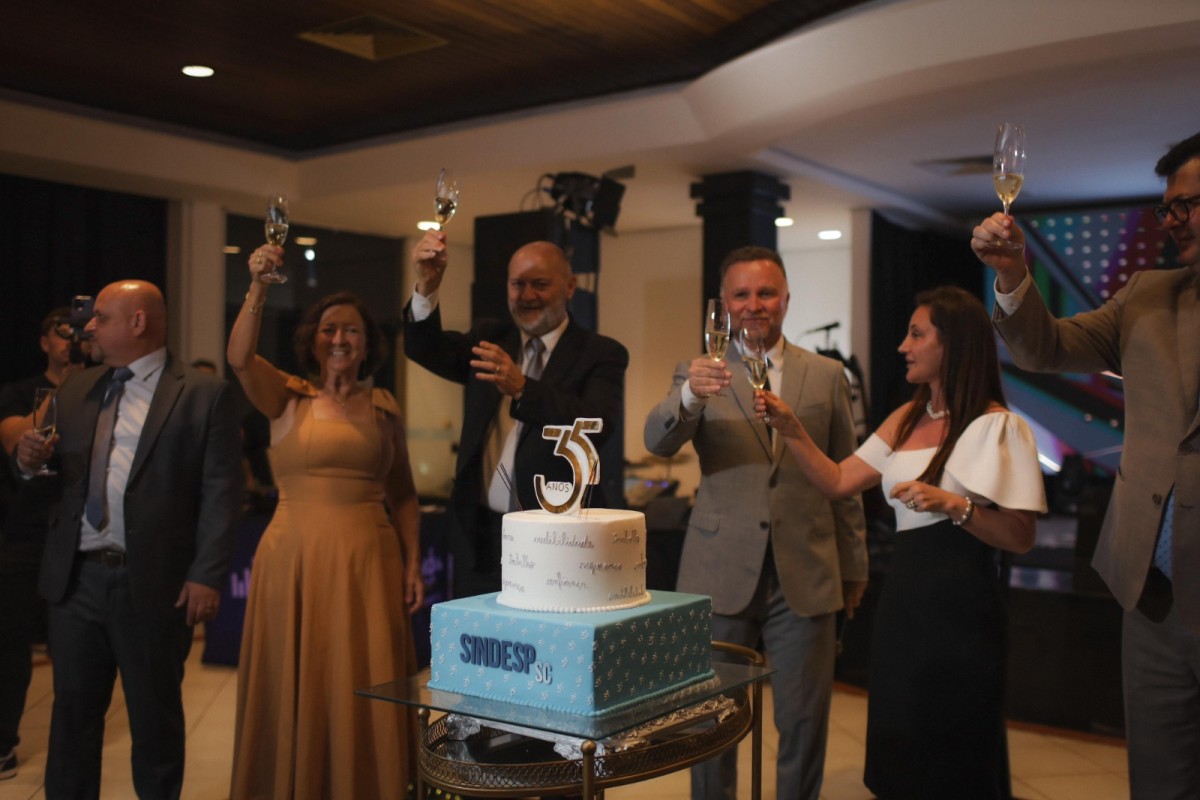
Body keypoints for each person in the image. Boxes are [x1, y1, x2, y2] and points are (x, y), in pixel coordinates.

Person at [972, 129, 1200, 797]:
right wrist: (1011, 275)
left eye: (1187, 204)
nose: (1172, 220)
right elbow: (1044, 348)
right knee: (1159, 778)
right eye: (1167, 208)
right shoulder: (1148, 295)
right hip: (1151, 594)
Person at [756, 285, 1046, 798]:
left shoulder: (999, 427)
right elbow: (837, 480)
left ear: (952, 344)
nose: (902, 346)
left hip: (963, 610)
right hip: (903, 606)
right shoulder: (907, 417)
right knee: (900, 744)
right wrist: (793, 429)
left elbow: (1020, 536)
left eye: (916, 335)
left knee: (954, 750)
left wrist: (955, 506)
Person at [643, 245, 869, 800]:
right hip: (719, 573)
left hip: (807, 574)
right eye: (740, 295)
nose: (754, 304)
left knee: (804, 722)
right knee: (709, 721)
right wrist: (689, 395)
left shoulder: (828, 375)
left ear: (786, 299)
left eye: (766, 293)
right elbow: (656, 441)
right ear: (723, 305)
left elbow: (844, 478)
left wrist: (854, 566)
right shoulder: (699, 372)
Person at [13, 280, 242, 800]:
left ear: (138, 322)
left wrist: (206, 574)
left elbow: (221, 492)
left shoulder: (203, 394)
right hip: (77, 581)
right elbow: (48, 476)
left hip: (154, 585)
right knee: (72, 719)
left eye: (101, 317)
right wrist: (26, 462)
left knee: (154, 722)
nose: (88, 327)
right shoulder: (76, 388)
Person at [227, 244, 423, 799]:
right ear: (312, 340)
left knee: (366, 677)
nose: (339, 339)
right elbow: (239, 357)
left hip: (369, 567)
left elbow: (404, 494)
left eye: (352, 330)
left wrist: (412, 564)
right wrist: (258, 285)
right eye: (329, 329)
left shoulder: (384, 408)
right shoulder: (287, 397)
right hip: (295, 563)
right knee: (299, 678)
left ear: (368, 343)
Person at [404, 230, 629, 598]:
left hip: (557, 542)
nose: (527, 296)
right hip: (479, 539)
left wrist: (523, 387)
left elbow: (596, 425)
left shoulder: (600, 353)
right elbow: (425, 349)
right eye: (517, 284)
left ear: (570, 287)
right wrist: (427, 285)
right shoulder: (491, 338)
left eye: (540, 284)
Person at [0, 307, 77, 781]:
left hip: (76, 529)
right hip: (23, 533)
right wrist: (67, 387)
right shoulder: (18, 391)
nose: (70, 340)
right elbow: (17, 437)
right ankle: (3, 742)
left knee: (76, 646)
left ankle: (72, 747)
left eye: (77, 332)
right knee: (10, 640)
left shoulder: (99, 388)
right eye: (60, 333)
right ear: (45, 342)